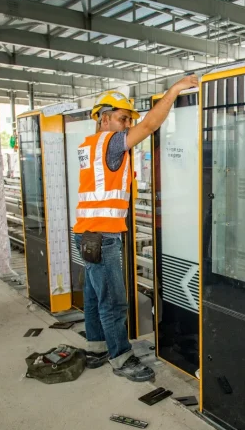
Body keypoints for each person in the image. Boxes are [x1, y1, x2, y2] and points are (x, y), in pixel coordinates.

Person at [74, 75, 199, 382]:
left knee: (93, 295)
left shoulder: (87, 145)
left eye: (128, 119)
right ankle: (121, 357)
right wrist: (174, 91)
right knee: (113, 300)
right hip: (102, 237)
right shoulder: (110, 142)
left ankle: (96, 349)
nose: (127, 124)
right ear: (105, 119)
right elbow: (149, 126)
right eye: (122, 118)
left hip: (86, 233)